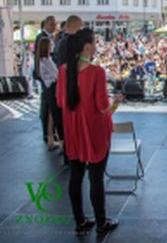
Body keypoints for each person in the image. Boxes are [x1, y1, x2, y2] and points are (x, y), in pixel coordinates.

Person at [56, 28, 123, 236]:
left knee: (75, 177)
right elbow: (103, 108)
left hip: (73, 131)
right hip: (95, 132)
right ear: (86, 46)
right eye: (94, 43)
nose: (96, 46)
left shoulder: (64, 70)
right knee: (96, 178)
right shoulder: (97, 72)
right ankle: (102, 222)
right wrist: (117, 103)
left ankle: (80, 221)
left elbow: (60, 102)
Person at [36, 37, 62, 151]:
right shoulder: (47, 61)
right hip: (52, 89)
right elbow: (57, 75)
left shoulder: (40, 61)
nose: (51, 46)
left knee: (51, 116)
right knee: (56, 115)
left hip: (47, 89)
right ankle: (61, 142)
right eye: (50, 44)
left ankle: (51, 140)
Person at [33, 16, 57, 143]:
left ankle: (50, 133)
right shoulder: (41, 38)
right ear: (46, 24)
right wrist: (39, 74)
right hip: (47, 78)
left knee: (48, 106)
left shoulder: (48, 37)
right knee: (47, 105)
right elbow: (38, 57)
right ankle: (47, 133)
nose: (54, 26)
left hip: (48, 76)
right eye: (52, 24)